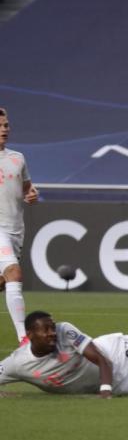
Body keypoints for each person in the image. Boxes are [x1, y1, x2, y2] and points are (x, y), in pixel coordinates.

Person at [0, 311, 128, 397]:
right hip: (116, 383)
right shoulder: (18, 362)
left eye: (52, 327)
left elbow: (101, 359)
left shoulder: (64, 330)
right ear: (30, 334)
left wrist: (105, 391)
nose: (52, 333)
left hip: (115, 353)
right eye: (46, 329)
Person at [0, 108, 39, 345]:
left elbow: (27, 188)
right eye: (0, 126)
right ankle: (24, 339)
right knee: (14, 272)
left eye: (6, 125)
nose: (4, 129)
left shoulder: (17, 158)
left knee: (4, 281)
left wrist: (32, 194)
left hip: (15, 228)